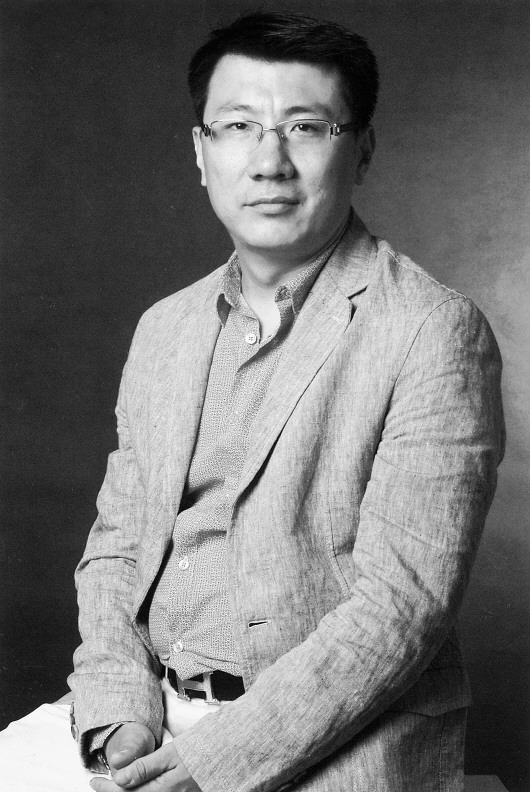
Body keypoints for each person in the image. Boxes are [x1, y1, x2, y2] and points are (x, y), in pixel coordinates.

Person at [66, 11, 504, 792]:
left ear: (361, 148)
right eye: (238, 126)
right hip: (155, 721)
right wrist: (120, 716)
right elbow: (119, 548)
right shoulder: (164, 328)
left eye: (305, 126)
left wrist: (212, 765)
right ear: (201, 153)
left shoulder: (433, 330)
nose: (269, 162)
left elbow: (400, 608)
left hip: (341, 747)